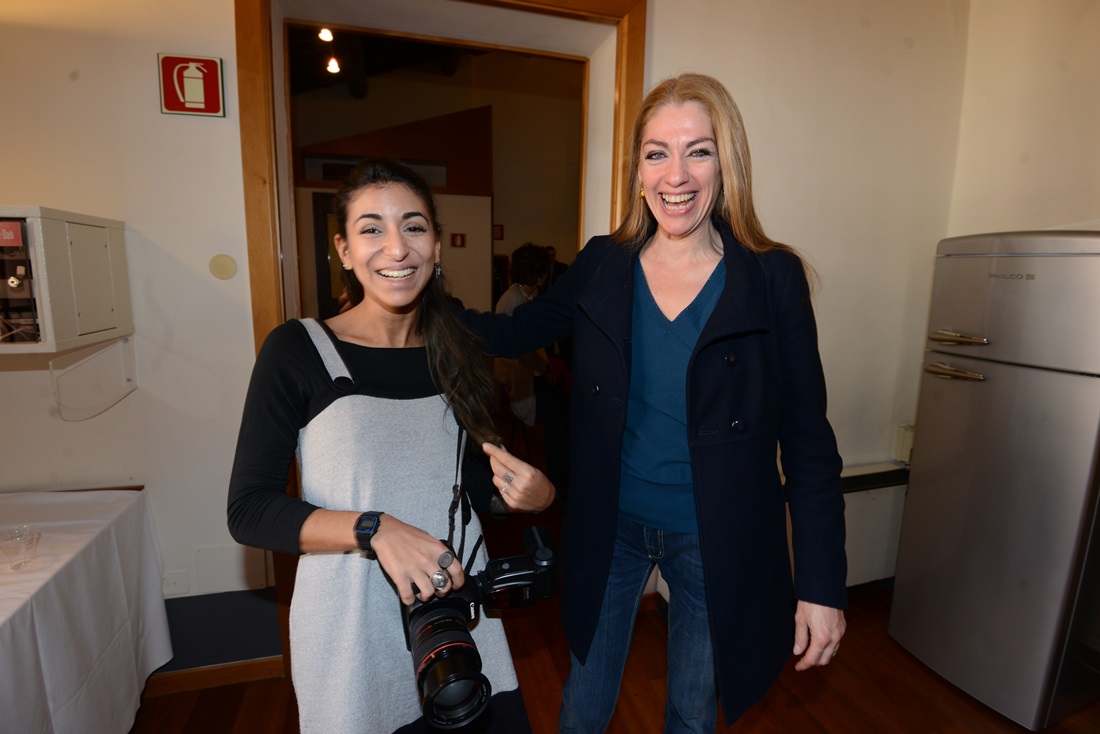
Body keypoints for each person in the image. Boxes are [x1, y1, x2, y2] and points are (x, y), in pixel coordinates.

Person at [458, 73, 847, 733]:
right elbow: (513, 333)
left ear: (728, 164)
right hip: (610, 525)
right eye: (657, 152)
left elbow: (809, 445)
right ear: (637, 170)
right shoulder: (604, 263)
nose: (678, 175)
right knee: (583, 706)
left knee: (693, 712)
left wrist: (822, 585)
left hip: (713, 533)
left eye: (699, 150)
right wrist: (413, 305)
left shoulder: (773, 279)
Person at [227, 157, 555, 734]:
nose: (396, 248)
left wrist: (535, 493)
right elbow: (249, 509)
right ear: (344, 250)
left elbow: (473, 491)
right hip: (353, 625)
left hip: (455, 618)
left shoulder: (457, 351)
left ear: (435, 245)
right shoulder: (298, 350)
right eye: (371, 229)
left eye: (414, 226)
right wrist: (375, 527)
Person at [493, 242, 570, 500]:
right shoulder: (517, 299)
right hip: (521, 377)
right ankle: (560, 483)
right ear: (540, 273)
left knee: (563, 410)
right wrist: (545, 367)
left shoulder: (520, 294)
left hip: (523, 373)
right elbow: (523, 349)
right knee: (561, 421)